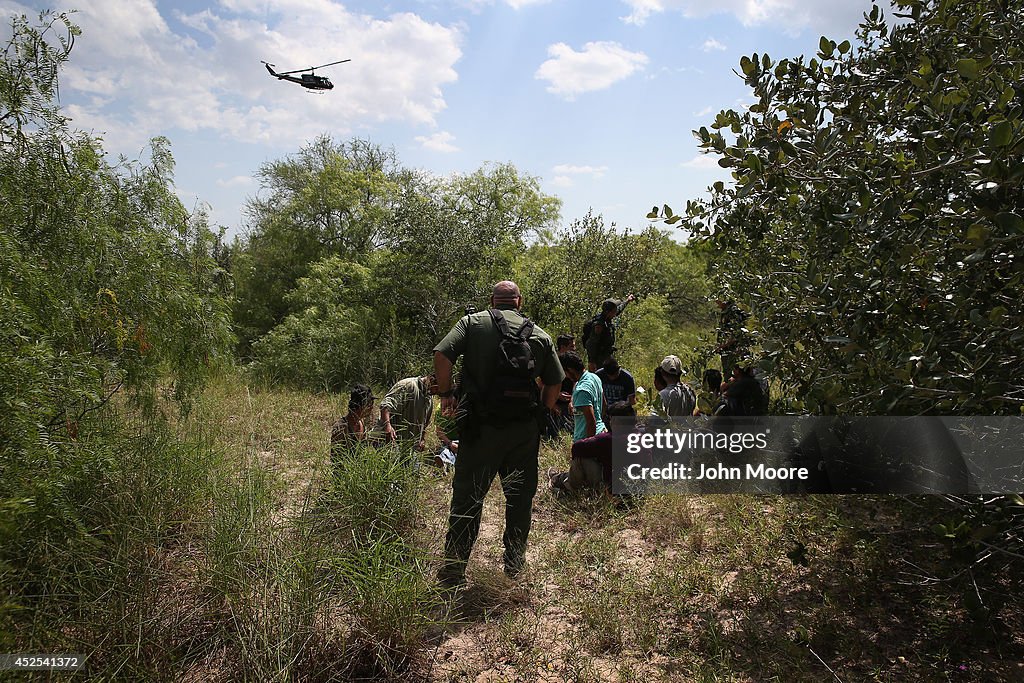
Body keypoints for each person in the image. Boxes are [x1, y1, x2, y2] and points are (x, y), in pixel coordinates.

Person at [433, 280, 564, 587]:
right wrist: (542, 412)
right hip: (523, 433)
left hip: (480, 430)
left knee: (468, 499)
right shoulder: (540, 335)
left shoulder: (472, 323)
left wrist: (447, 393)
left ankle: (453, 570)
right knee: (519, 499)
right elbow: (555, 383)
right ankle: (515, 566)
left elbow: (441, 354)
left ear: (492, 301)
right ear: (519, 302)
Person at [548, 401, 636, 494]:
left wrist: (597, 445)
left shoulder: (608, 439)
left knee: (582, 458)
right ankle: (566, 478)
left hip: (613, 491)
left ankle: (566, 484)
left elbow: (577, 447)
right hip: (638, 490)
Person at [374, 373, 438, 451]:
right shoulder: (408, 385)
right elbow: (385, 406)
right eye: (437, 389)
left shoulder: (429, 398)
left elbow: (424, 423)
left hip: (409, 448)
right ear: (431, 380)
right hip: (389, 442)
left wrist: (422, 439)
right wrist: (387, 426)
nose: (437, 392)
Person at [561, 351, 606, 441]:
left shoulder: (582, 390)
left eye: (565, 372)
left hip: (586, 439)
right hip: (601, 432)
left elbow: (590, 422)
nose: (565, 376)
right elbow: (604, 404)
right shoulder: (594, 377)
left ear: (570, 370)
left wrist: (587, 446)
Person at [583, 294, 635, 371]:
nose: (615, 313)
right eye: (614, 311)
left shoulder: (607, 317)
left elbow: (619, 309)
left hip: (606, 355)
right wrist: (591, 362)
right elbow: (591, 344)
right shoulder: (599, 325)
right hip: (599, 360)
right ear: (608, 312)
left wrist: (627, 300)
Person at [329, 384, 375, 457]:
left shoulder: (364, 422)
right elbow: (335, 459)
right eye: (370, 404)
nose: (372, 408)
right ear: (361, 406)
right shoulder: (341, 428)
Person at [716, 299, 750, 374]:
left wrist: (722, 345)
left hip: (734, 351)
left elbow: (736, 333)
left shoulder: (733, 312)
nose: (717, 302)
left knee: (736, 375)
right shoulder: (726, 311)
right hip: (728, 350)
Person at [434, 382, 462, 469]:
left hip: (462, 439)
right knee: (445, 449)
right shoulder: (440, 410)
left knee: (461, 451)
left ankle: (447, 463)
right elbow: (439, 431)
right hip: (447, 440)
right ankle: (444, 461)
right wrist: (450, 443)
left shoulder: (465, 410)